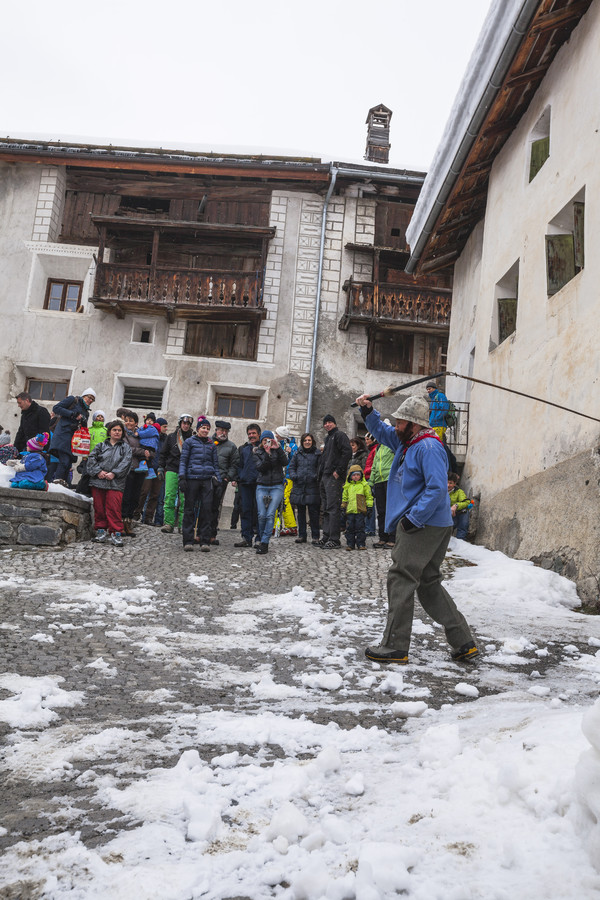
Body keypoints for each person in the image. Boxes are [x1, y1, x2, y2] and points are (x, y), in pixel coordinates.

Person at [355, 391, 478, 665]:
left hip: (424, 525)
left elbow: (436, 488)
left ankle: (395, 645)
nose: (396, 426)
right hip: (429, 523)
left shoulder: (428, 447)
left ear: (414, 424)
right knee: (428, 583)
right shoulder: (408, 442)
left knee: (401, 577)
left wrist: (414, 518)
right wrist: (368, 412)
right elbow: (383, 432)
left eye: (401, 422)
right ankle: (463, 641)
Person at [87, 420, 133, 547]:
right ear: (110, 431)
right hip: (98, 481)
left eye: (119, 430)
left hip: (116, 483)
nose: (117, 432)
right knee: (99, 507)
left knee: (114, 508)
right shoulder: (101, 445)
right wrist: (98, 472)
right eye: (114, 430)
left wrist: (114, 473)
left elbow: (126, 462)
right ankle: (100, 531)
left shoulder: (126, 448)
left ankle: (116, 532)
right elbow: (91, 459)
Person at [179, 416, 221, 552]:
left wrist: (217, 479)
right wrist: (182, 477)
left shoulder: (211, 445)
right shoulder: (189, 442)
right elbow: (183, 461)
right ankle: (188, 540)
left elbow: (215, 464)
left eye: (208, 428)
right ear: (198, 429)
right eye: (203, 428)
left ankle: (204, 540)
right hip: (192, 478)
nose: (205, 430)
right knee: (189, 509)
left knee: (207, 510)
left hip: (207, 480)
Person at [318, 414, 352, 550]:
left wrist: (339, 471)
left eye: (330, 422)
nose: (327, 425)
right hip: (325, 476)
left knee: (333, 508)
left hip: (333, 477)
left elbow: (347, 452)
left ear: (335, 423)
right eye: (325, 423)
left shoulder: (339, 435)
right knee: (326, 508)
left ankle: (334, 539)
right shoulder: (328, 438)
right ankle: (326, 536)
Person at [48, 389, 95, 484]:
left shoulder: (86, 412)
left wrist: (83, 422)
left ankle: (65, 485)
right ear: (84, 395)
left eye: (92, 400)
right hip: (63, 435)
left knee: (68, 464)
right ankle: (57, 483)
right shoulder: (73, 400)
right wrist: (73, 414)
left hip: (74, 439)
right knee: (64, 461)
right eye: (89, 397)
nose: (90, 400)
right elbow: (56, 408)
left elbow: (83, 427)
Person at [253, 430, 288, 555]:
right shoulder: (258, 452)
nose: (266, 442)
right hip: (262, 486)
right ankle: (262, 538)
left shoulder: (278, 451)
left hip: (277, 486)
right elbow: (260, 468)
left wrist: (277, 449)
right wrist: (267, 455)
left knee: (270, 514)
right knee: (262, 515)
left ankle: (265, 542)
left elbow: (285, 462)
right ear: (261, 441)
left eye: (269, 440)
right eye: (264, 440)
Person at [159, 414, 194, 533]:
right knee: (169, 497)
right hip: (172, 469)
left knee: (185, 499)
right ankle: (168, 523)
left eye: (188, 424)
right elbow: (163, 454)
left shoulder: (193, 438)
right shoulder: (171, 437)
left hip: (187, 472)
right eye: (184, 423)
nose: (185, 426)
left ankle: (182, 525)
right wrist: (160, 467)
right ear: (180, 424)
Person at [121, 411, 154, 536]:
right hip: (128, 469)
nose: (128, 423)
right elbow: (126, 449)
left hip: (140, 470)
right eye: (127, 420)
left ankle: (129, 523)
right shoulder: (123, 435)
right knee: (126, 497)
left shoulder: (142, 436)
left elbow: (151, 451)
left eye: (131, 420)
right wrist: (142, 451)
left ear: (136, 423)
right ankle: (122, 524)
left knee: (135, 498)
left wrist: (148, 453)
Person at [288, 432, 321, 545]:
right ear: (302, 442)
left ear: (312, 442)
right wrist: (294, 476)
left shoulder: (317, 454)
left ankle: (315, 536)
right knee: (300, 513)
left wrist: (315, 477)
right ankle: (302, 535)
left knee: (313, 513)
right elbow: (291, 467)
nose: (307, 442)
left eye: (309, 440)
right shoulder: (297, 454)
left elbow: (320, 468)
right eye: (305, 440)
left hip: (312, 486)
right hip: (299, 486)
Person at [210, 420, 239, 544]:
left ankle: (212, 534)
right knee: (203, 505)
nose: (223, 433)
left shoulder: (231, 446)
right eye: (221, 430)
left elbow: (235, 464)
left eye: (226, 431)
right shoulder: (208, 442)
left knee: (216, 507)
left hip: (221, 480)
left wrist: (228, 477)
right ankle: (200, 533)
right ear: (216, 430)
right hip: (205, 478)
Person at [234, 423, 261, 548]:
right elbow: (239, 465)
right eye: (249, 434)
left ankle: (259, 539)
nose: (251, 436)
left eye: (253, 433)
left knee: (259, 512)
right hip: (245, 484)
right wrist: (240, 477)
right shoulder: (244, 449)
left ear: (259, 434)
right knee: (245, 510)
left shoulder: (263, 448)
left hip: (259, 483)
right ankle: (246, 537)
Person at [368, 435, 396, 549]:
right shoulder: (378, 448)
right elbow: (374, 466)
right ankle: (382, 537)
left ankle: (392, 538)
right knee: (381, 511)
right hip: (379, 481)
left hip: (389, 480)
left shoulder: (392, 446)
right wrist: (371, 481)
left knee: (391, 510)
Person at [341, 464, 373, 551]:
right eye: (354, 475)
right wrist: (343, 507)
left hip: (360, 510)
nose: (356, 477)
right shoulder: (347, 487)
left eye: (358, 475)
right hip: (350, 511)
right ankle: (350, 544)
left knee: (360, 528)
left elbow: (369, 497)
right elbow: (345, 498)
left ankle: (361, 543)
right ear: (350, 476)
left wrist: (369, 507)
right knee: (350, 528)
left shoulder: (364, 485)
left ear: (361, 475)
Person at [275, 425, 298, 535]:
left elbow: (296, 460)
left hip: (287, 476)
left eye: (277, 434)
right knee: (275, 500)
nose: (275, 435)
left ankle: (291, 526)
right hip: (277, 476)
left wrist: (291, 453)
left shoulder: (292, 446)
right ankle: (274, 526)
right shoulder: (277, 443)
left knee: (284, 499)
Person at [448, 472, 472, 540]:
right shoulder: (440, 491)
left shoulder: (459, 491)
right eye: (446, 482)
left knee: (463, 523)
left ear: (455, 484)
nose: (448, 485)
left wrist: (456, 505)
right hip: (447, 515)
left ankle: (460, 542)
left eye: (450, 483)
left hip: (459, 513)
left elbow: (467, 502)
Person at [363, 433, 378, 537]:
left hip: (371, 478)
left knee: (370, 504)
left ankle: (370, 528)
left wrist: (364, 472)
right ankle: (368, 527)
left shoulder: (375, 450)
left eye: (367, 439)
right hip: (368, 477)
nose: (366, 441)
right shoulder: (371, 450)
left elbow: (373, 466)